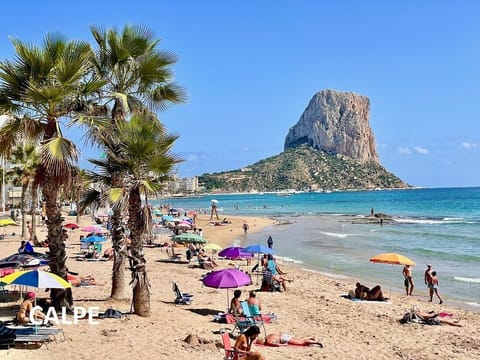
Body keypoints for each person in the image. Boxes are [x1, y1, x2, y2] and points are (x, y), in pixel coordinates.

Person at [256, 333, 323, 347]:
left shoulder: (268, 342)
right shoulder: (268, 336)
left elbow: (277, 345)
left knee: (301, 342)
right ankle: (311, 336)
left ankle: (315, 342)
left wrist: (283, 345)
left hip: (284, 339)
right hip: (284, 335)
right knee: (299, 340)